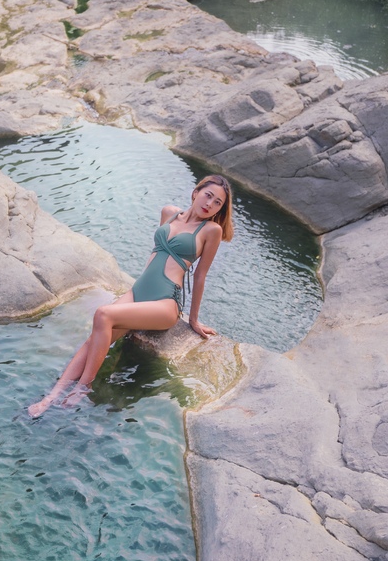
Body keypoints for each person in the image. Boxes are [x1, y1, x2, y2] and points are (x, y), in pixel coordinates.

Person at [27, 174, 234, 417]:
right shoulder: (169, 212)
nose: (210, 204)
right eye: (208, 195)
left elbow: (200, 276)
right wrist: (134, 294)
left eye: (218, 203)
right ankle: (51, 397)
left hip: (165, 302)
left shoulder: (212, 230)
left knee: (103, 314)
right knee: (93, 340)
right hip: (138, 292)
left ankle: (83, 387)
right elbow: (155, 255)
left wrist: (193, 320)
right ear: (195, 192)